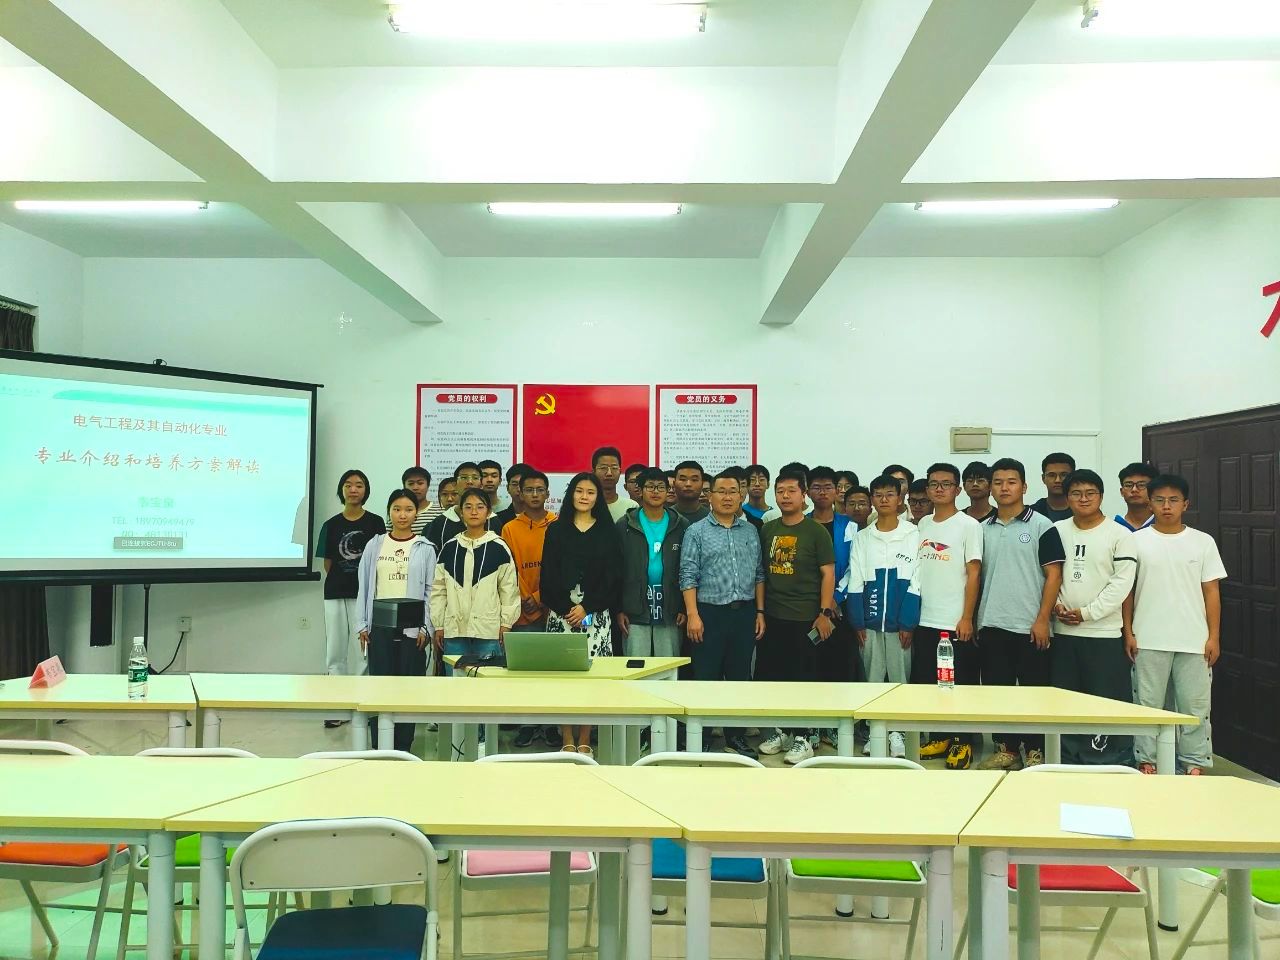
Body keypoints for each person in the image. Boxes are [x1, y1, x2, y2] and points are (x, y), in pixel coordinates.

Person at [1123, 474, 1226, 775]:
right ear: (1150, 503)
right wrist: (1128, 632)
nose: (1166, 506)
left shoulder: (1202, 542)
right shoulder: (1136, 541)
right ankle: (1147, 760)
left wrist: (1214, 637)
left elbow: (1212, 592)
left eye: (1173, 500)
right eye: (1159, 500)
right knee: (1147, 705)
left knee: (1196, 707)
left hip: (1194, 640)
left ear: (1185, 504)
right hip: (1148, 638)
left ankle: (1195, 762)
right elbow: (1127, 592)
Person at [1039, 468, 1137, 765]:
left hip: (1104, 634)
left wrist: (1087, 613)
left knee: (1105, 701)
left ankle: (1108, 759)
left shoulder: (1120, 535)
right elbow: (1049, 576)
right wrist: (1056, 606)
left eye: (1090, 493)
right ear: (1067, 498)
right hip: (1064, 634)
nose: (1084, 499)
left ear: (1102, 496)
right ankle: (1067, 758)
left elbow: (1121, 584)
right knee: (1066, 701)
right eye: (1076, 493)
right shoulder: (1056, 530)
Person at [974, 458, 1062, 771]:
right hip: (992, 623)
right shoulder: (981, 529)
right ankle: (1006, 749)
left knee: (1034, 692)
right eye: (998, 482)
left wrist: (1042, 619)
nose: (1004, 488)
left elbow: (1054, 575)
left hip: (1031, 626)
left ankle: (1035, 751)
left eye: (1011, 482)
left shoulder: (1042, 526)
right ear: (990, 488)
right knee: (998, 692)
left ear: (1024, 486)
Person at [680, 469, 766, 758]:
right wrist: (693, 614)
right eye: (721, 492)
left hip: (744, 614)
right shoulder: (696, 531)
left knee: (740, 677)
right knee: (706, 677)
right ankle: (702, 737)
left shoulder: (750, 531)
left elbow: (759, 573)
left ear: (741, 496)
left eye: (733, 492)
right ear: (710, 496)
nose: (727, 497)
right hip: (708, 614)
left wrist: (760, 611)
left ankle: (735, 737)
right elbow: (687, 574)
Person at [757, 467, 836, 765]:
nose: (785, 496)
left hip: (806, 617)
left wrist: (824, 613)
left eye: (791, 491)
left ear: (804, 496)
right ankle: (783, 732)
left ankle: (804, 737)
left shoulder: (816, 531)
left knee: (803, 678)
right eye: (780, 491)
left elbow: (828, 574)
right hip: (774, 615)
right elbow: (761, 574)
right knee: (775, 676)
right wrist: (761, 611)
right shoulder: (768, 530)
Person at [541, 472, 623, 755]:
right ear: (571, 494)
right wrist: (567, 609)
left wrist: (587, 607)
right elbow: (547, 576)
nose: (584, 497)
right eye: (579, 491)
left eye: (590, 492)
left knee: (593, 678)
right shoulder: (556, 530)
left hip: (595, 615)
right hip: (561, 615)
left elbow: (614, 578)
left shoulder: (608, 532)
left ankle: (585, 738)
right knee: (562, 679)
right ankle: (567, 737)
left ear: (598, 497)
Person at [911, 463, 983, 769]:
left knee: (959, 683)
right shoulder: (923, 524)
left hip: (955, 621)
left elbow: (974, 572)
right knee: (930, 683)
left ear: (958, 489)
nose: (939, 489)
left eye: (946, 484)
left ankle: (962, 741)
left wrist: (967, 617)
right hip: (924, 619)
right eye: (934, 484)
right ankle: (939, 736)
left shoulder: (969, 525)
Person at [844, 475, 921, 759]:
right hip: (869, 622)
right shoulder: (863, 537)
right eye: (878, 495)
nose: (884, 499)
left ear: (900, 498)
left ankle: (898, 732)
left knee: (900, 679)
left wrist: (908, 622)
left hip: (901, 623)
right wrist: (857, 620)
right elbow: (855, 579)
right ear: (872, 500)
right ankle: (873, 732)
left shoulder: (913, 534)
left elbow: (916, 580)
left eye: (890, 494)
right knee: (872, 679)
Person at [355, 488, 437, 753]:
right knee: (380, 686)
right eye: (397, 509)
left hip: (412, 628)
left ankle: (403, 746)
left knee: (407, 687)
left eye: (409, 509)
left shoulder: (424, 547)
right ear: (389, 512)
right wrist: (362, 624)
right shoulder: (375, 544)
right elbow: (364, 585)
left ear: (416, 513)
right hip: (379, 626)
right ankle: (379, 744)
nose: (402, 515)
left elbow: (431, 590)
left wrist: (426, 627)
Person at [317, 470, 386, 719]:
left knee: (363, 652)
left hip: (365, 596)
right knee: (335, 651)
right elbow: (327, 563)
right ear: (341, 490)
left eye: (359, 485)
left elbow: (380, 560)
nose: (353, 489)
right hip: (335, 593)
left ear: (366, 490)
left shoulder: (376, 523)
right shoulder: (331, 524)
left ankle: (361, 706)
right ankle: (336, 707)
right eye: (348, 485)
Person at [502, 470, 561, 749]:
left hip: (553, 609)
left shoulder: (558, 524)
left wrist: (540, 597)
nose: (535, 495)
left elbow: (561, 566)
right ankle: (526, 723)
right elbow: (509, 567)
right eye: (529, 490)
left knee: (552, 671)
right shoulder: (509, 528)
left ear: (548, 493)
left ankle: (550, 725)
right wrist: (527, 596)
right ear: (520, 493)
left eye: (540, 490)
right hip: (521, 610)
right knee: (524, 671)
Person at [431, 487, 520, 671]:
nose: (474, 512)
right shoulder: (450, 547)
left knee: (488, 684)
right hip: (454, 631)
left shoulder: (499, 547)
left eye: (480, 507)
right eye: (468, 507)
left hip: (488, 632)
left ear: (488, 512)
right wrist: (438, 625)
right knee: (456, 683)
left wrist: (506, 624)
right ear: (461, 512)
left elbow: (509, 590)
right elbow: (439, 590)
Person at [617, 467, 689, 662]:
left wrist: (683, 607)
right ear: (640, 490)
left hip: (670, 609)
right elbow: (616, 570)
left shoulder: (681, 524)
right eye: (650, 486)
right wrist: (619, 609)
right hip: (634, 609)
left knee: (667, 668)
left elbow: (688, 569)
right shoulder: (625, 524)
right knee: (636, 667)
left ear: (668, 491)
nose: (656, 491)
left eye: (661, 487)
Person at [809, 467, 856, 745]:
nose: (822, 492)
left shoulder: (849, 526)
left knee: (839, 667)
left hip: (840, 609)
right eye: (816, 487)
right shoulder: (801, 523)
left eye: (828, 487)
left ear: (837, 491)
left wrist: (835, 598)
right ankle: (812, 727)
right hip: (808, 610)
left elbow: (854, 566)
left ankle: (836, 726)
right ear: (808, 491)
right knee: (812, 667)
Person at [425, 462, 496, 555]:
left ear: (481, 484)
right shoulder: (440, 523)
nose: (469, 482)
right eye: (464, 477)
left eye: (475, 478)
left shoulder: (493, 520)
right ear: (455, 484)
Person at [591, 446, 637, 522]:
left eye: (614, 468)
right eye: (603, 468)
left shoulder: (631, 507)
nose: (609, 473)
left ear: (620, 472)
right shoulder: (586, 505)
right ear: (593, 472)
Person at [1031, 453, 1075, 522]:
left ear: (1073, 477)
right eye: (1051, 475)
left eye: (1064, 475)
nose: (1058, 480)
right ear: (1043, 478)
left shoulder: (1084, 511)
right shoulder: (1031, 513)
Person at [1115, 461, 1157, 531]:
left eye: (1141, 485)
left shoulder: (1164, 526)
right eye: (1128, 485)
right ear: (1122, 492)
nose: (1134, 490)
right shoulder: (1114, 527)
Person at [400, 466, 440, 533]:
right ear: (404, 486)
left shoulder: (440, 511)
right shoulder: (397, 512)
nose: (415, 488)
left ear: (428, 485)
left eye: (420, 483)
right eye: (411, 484)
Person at [494, 463, 531, 530]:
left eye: (523, 484)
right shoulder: (497, 519)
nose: (519, 489)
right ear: (507, 488)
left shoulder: (544, 519)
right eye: (514, 484)